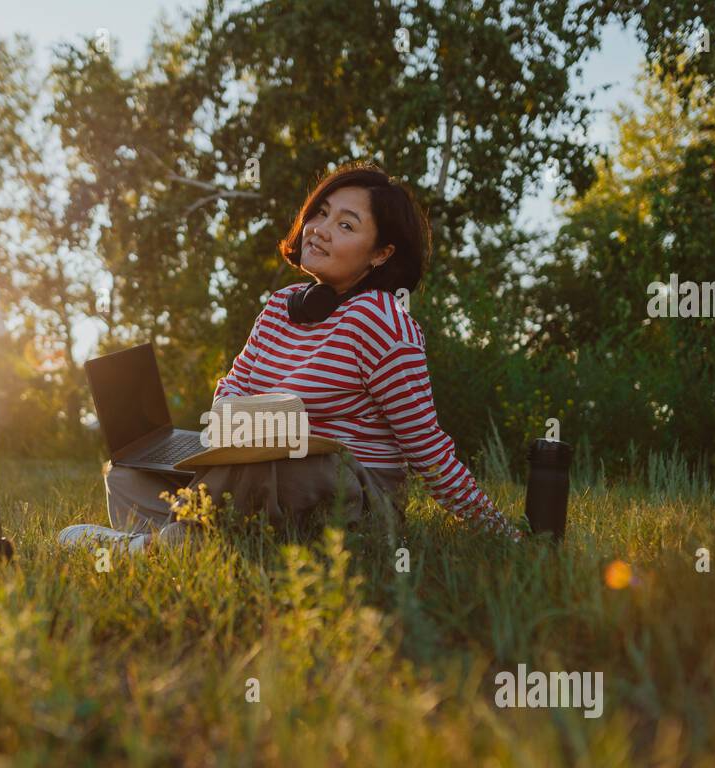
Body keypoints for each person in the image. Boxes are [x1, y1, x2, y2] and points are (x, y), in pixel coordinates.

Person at [60, 161, 522, 553]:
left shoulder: (383, 322)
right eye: (321, 213)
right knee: (129, 470)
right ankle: (175, 538)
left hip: (349, 496)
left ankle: (162, 543)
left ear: (380, 254)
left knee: (284, 460)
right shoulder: (281, 307)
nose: (319, 230)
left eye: (346, 225)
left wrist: (501, 535)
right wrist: (227, 430)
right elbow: (233, 388)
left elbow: (427, 447)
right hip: (258, 479)